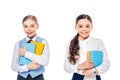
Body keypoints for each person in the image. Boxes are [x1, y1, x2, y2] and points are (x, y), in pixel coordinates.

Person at [64, 14, 110, 80]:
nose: (84, 29)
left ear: (91, 27)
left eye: (87, 26)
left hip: (95, 77)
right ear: (76, 27)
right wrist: (79, 66)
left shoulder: (98, 42)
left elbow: (106, 63)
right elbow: (66, 66)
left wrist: (94, 71)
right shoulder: (70, 44)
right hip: (77, 77)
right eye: (80, 26)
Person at [11, 15, 50, 80]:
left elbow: (45, 62)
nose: (29, 29)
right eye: (26, 26)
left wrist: (26, 53)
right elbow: (13, 66)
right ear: (23, 27)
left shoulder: (43, 42)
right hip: (21, 77)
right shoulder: (18, 44)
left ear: (37, 26)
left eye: (32, 26)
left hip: (38, 77)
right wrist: (27, 67)